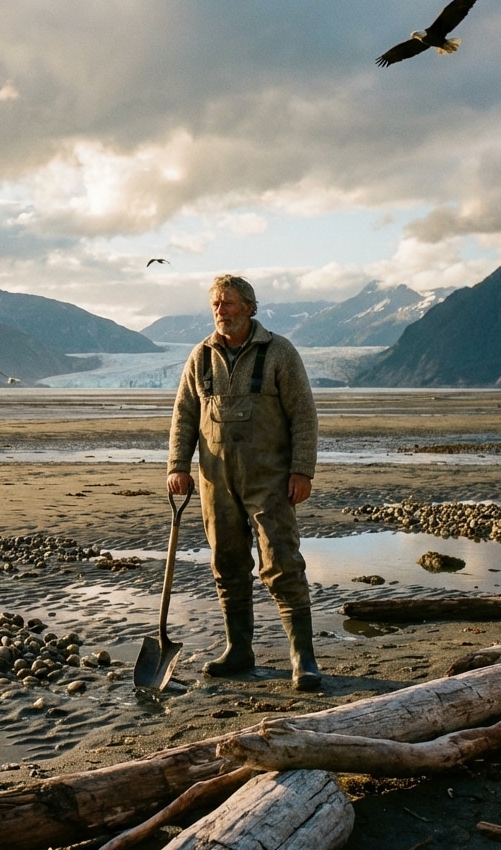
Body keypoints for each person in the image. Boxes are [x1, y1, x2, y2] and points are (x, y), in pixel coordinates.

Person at [167, 274, 321, 690]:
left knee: (282, 564)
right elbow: (184, 415)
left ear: (251, 308)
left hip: (269, 479)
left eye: (229, 304)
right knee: (227, 564)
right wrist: (177, 466)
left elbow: (303, 414)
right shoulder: (200, 356)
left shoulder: (279, 352)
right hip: (216, 479)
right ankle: (239, 649)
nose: (221, 311)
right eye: (216, 304)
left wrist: (302, 469)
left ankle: (303, 659)